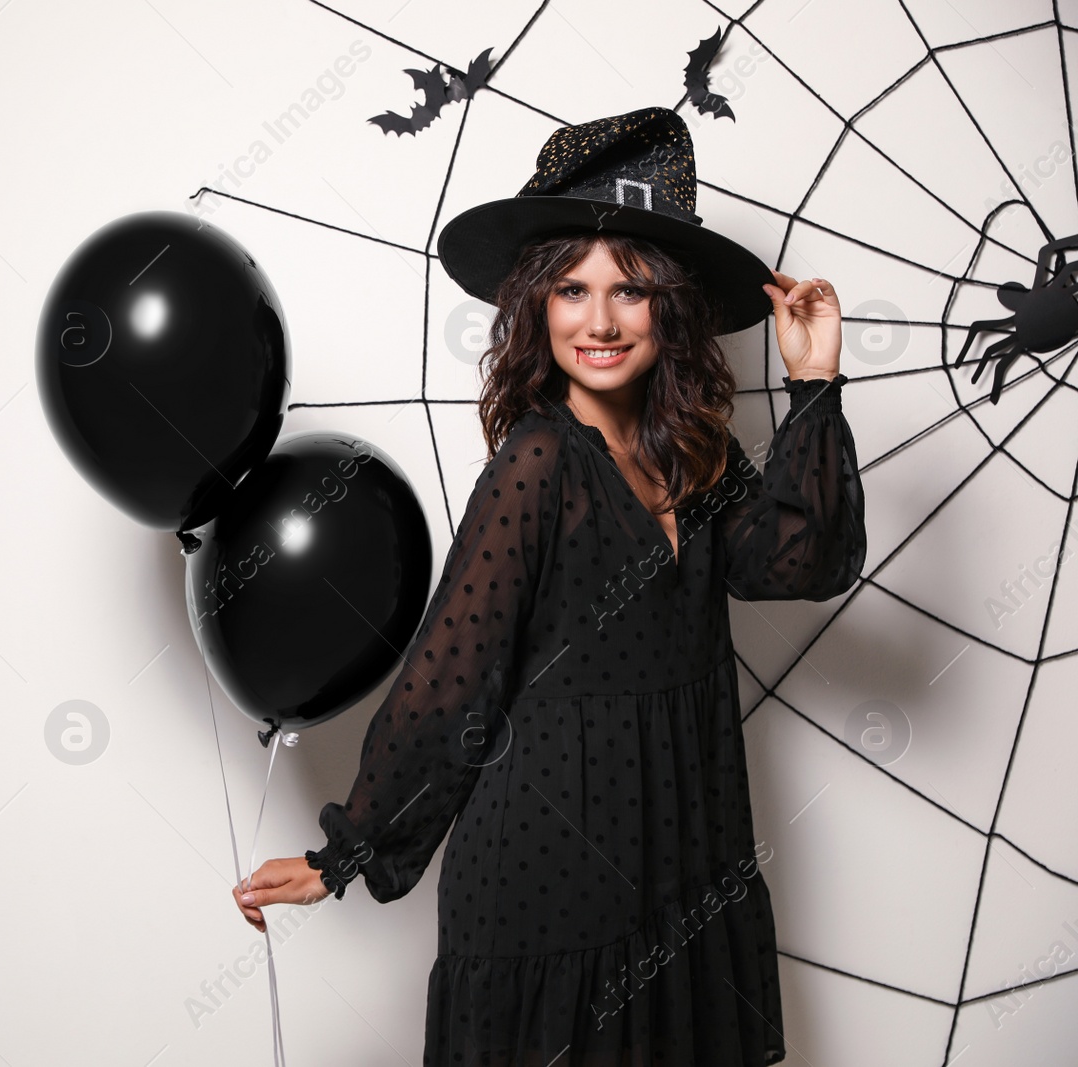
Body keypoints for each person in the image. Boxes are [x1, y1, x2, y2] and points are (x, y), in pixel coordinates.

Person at [230, 106, 866, 1066]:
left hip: (681, 846)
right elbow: (454, 671)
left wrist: (814, 381)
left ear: (673, 307)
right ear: (536, 304)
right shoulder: (536, 464)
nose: (601, 320)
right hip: (549, 864)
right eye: (572, 288)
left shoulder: (692, 449)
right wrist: (347, 851)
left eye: (631, 290)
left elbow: (799, 560)